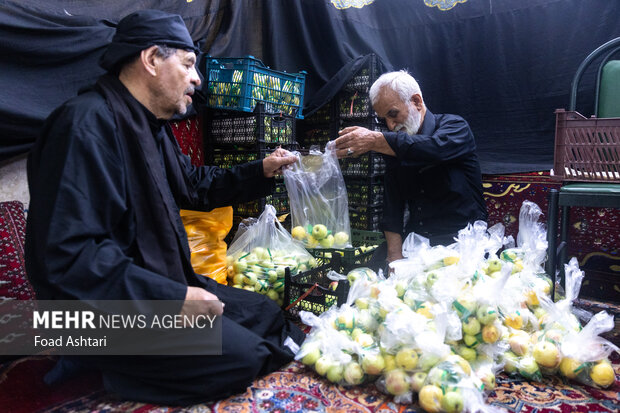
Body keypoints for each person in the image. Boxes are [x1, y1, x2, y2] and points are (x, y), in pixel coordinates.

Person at [25, 10, 304, 406]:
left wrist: (262, 168)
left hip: (157, 284)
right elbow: (71, 259)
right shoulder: (83, 126)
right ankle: (98, 362)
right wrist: (171, 300)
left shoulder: (149, 126)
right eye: (189, 64)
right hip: (98, 312)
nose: (197, 79)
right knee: (244, 358)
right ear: (151, 59)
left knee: (265, 314)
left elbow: (194, 186)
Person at [334, 70, 487, 266]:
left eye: (393, 114)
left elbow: (433, 149)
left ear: (416, 101)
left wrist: (376, 140)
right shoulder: (393, 146)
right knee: (370, 277)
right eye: (384, 120)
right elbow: (392, 205)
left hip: (462, 241)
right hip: (418, 241)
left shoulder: (455, 127)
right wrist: (394, 257)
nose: (390, 125)